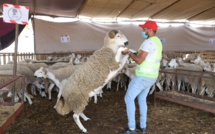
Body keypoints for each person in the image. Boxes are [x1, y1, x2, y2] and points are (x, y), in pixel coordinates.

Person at [120, 20, 163, 134]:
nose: (143, 31)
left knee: (128, 98)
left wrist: (129, 53)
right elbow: (144, 56)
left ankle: (132, 128)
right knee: (142, 98)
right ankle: (142, 126)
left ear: (149, 30)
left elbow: (138, 60)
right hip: (151, 77)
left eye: (144, 29)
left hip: (143, 77)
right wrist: (133, 52)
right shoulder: (157, 41)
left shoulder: (148, 42)